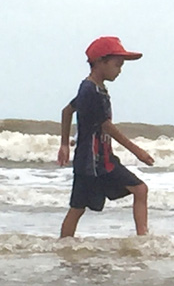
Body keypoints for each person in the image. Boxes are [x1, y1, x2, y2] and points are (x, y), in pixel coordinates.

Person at [58, 36, 155, 237]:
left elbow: (67, 111)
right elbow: (106, 126)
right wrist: (138, 151)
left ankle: (142, 238)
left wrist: (65, 144)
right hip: (93, 163)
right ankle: (142, 238)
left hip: (99, 159)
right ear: (101, 62)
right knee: (79, 208)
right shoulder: (89, 90)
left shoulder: (95, 88)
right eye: (117, 64)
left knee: (79, 208)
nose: (119, 70)